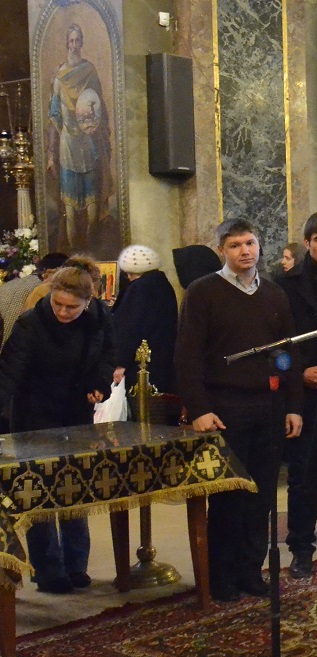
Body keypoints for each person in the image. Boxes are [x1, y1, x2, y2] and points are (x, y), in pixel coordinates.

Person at [174, 218, 304, 602]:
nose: (245, 251)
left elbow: (289, 353)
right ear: (222, 251)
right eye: (235, 246)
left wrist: (293, 406)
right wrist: (198, 408)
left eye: (250, 243)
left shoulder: (275, 294)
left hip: (268, 406)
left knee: (260, 497)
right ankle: (222, 579)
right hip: (224, 408)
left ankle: (251, 571)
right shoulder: (202, 293)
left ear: (260, 245)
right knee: (228, 497)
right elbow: (187, 356)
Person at [0, 258, 117, 593]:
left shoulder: (100, 319)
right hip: (34, 414)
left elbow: (108, 355)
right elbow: (9, 372)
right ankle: (49, 570)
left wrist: (100, 383)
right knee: (39, 492)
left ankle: (76, 564)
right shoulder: (30, 324)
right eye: (58, 304)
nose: (64, 313)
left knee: (74, 487)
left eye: (72, 307)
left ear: (88, 302)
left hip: (75, 412)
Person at [278, 212, 317, 578]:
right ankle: (301, 548)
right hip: (301, 392)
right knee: (302, 473)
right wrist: (298, 371)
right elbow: (279, 345)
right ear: (306, 243)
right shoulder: (285, 285)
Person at [47, 24, 110, 250]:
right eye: (71, 41)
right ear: (67, 43)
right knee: (71, 211)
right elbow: (54, 116)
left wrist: (97, 127)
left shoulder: (89, 71)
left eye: (78, 40)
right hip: (67, 147)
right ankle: (75, 257)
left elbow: (98, 106)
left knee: (93, 208)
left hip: (88, 143)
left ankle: (91, 253)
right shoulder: (59, 78)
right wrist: (50, 154)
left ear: (82, 43)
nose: (74, 45)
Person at [110, 245, 177, 393]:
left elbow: (129, 328)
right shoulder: (163, 284)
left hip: (138, 364)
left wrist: (120, 363)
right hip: (162, 361)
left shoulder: (138, 288)